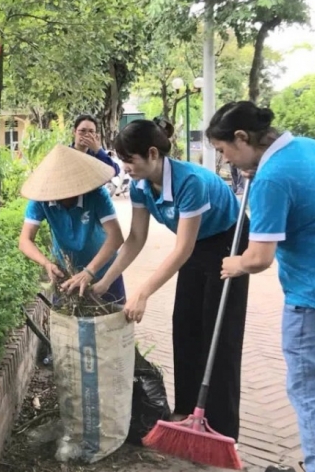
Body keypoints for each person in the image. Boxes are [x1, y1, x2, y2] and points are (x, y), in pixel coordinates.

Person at [91, 118, 249, 442]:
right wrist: (104, 281)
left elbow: (183, 249)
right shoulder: (139, 185)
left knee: (219, 334)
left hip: (227, 240)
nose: (125, 167)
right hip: (194, 245)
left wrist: (144, 292)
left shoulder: (190, 181)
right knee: (185, 325)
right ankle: (186, 411)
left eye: (129, 159)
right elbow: (135, 238)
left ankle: (221, 427)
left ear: (152, 153)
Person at [212, 101, 315, 472]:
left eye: (223, 152)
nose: (226, 162)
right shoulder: (310, 148)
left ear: (241, 138)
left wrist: (234, 263)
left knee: (314, 397)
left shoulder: (272, 177)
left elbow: (259, 258)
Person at [19, 145, 126, 303]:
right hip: (66, 274)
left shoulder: (97, 195)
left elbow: (116, 237)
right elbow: (25, 240)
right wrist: (47, 264)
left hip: (104, 271)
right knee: (67, 324)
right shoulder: (41, 199)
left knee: (111, 322)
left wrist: (90, 271)